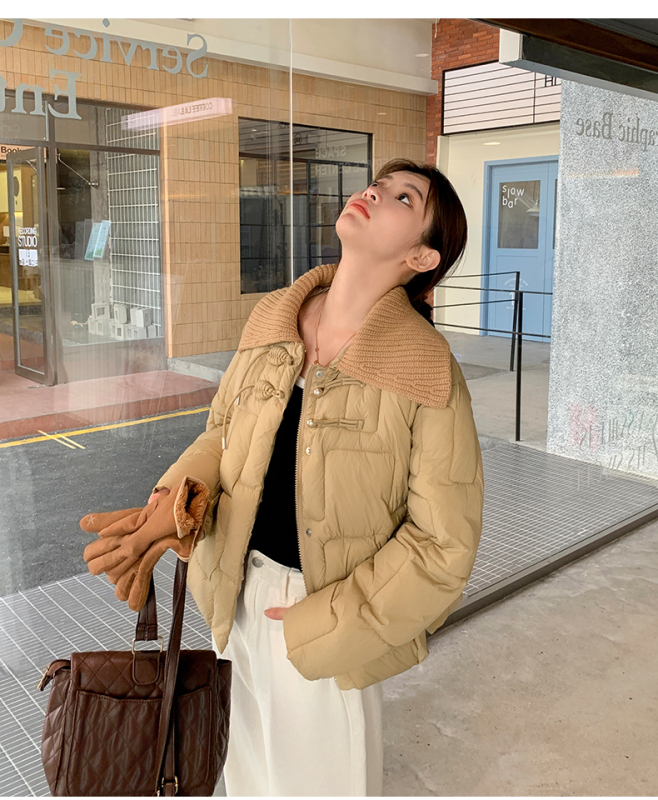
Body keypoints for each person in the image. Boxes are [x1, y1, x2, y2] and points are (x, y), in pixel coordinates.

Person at [85, 158, 484, 797]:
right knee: (244, 783)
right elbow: (223, 433)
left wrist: (327, 621)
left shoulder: (425, 366)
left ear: (422, 257)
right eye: (379, 184)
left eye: (405, 198)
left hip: (326, 616)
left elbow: (444, 543)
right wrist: (174, 504)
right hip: (234, 595)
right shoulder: (275, 315)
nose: (375, 192)